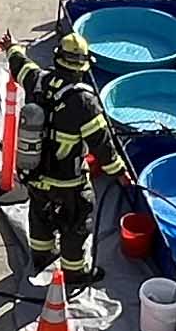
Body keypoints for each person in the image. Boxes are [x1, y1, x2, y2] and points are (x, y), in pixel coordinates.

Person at [23, 30, 110, 288]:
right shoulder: (83, 101)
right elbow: (101, 144)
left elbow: (21, 65)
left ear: (57, 58)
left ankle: (41, 256)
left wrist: (11, 48)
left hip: (35, 174)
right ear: (82, 66)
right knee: (76, 224)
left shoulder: (37, 80)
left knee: (40, 216)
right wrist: (118, 172)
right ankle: (74, 273)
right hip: (68, 181)